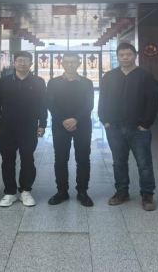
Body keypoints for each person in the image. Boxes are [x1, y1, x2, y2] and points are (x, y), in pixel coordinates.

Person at [98, 43, 158, 211]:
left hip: (138, 129)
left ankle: (147, 195)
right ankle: (121, 192)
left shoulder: (145, 76)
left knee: (144, 164)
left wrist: (145, 124)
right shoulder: (109, 76)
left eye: (129, 54)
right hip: (114, 128)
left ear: (135, 56)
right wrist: (105, 121)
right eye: (122, 55)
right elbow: (102, 99)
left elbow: (152, 102)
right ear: (117, 56)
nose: (125, 57)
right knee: (119, 162)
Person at [0, 51, 47, 207]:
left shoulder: (38, 81)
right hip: (7, 126)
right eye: (19, 60)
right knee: (7, 160)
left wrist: (42, 124)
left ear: (31, 63)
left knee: (27, 158)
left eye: (26, 60)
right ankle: (10, 192)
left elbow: (43, 104)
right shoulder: (4, 81)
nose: (22, 63)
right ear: (14, 63)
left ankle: (25, 190)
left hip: (29, 126)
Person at [47, 52, 95, 207]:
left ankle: (82, 191)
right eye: (66, 62)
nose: (69, 65)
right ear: (61, 63)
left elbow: (89, 104)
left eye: (73, 62)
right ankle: (62, 191)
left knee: (83, 158)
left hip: (83, 125)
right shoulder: (53, 83)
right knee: (61, 159)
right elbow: (50, 103)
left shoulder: (87, 83)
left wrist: (76, 119)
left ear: (79, 64)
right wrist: (64, 120)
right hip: (60, 126)